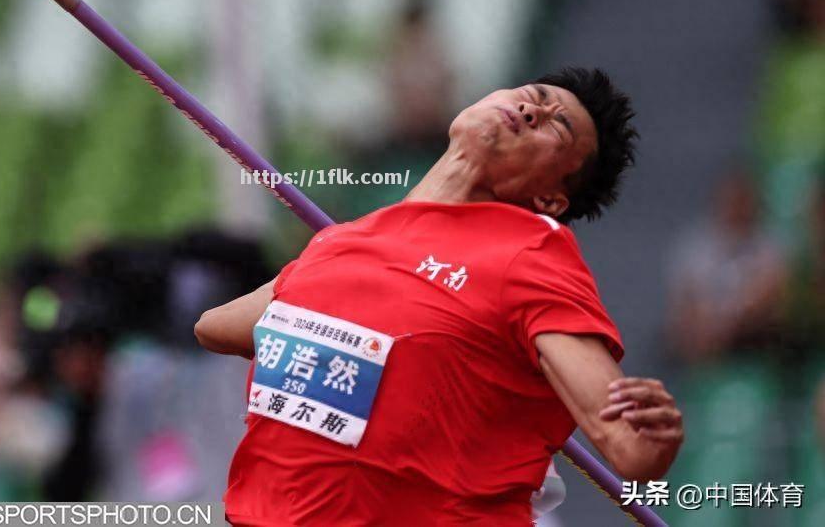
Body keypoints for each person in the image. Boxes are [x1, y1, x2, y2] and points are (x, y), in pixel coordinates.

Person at [195, 68, 684, 525]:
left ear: (551, 201)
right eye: (532, 98)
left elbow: (627, 443)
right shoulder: (340, 243)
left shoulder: (530, 253)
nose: (533, 112)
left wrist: (647, 441)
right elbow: (215, 327)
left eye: (556, 128)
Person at [667, 170, 788, 363]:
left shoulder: (769, 246)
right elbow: (687, 302)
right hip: (703, 338)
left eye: (742, 202)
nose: (737, 208)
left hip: (751, 338)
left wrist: (726, 324)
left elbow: (766, 293)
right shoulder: (696, 247)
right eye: (732, 201)